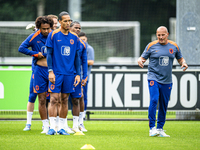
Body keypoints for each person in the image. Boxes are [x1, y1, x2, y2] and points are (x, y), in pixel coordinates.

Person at [137, 26, 188, 137]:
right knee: (154, 99)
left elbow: (180, 58)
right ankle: (152, 128)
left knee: (164, 104)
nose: (160, 37)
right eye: (158, 35)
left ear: (167, 34)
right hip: (153, 77)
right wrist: (140, 61)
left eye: (162, 35)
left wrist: (183, 63)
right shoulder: (151, 45)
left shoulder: (174, 46)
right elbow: (142, 58)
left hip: (167, 80)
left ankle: (160, 129)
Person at [46, 11, 81, 135]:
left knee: (65, 100)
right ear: (60, 22)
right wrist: (50, 71)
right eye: (65, 21)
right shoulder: (53, 35)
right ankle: (52, 127)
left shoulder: (74, 38)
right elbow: (49, 54)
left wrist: (78, 74)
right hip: (56, 72)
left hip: (69, 73)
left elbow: (77, 57)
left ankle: (61, 127)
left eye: (69, 21)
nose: (68, 23)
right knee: (54, 99)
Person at [19, 16, 53, 133]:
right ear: (38, 28)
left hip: (53, 71)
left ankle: (56, 125)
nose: (46, 31)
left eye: (48, 28)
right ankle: (45, 125)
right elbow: (21, 48)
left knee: (55, 99)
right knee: (41, 99)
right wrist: (35, 54)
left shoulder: (53, 35)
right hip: (39, 71)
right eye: (43, 29)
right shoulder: (33, 36)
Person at [69, 22, 88, 132]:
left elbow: (84, 62)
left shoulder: (82, 44)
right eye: (76, 27)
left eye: (79, 28)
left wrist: (84, 77)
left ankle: (78, 124)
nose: (78, 29)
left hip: (76, 76)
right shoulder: (64, 40)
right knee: (61, 99)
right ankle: (62, 124)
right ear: (70, 28)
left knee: (78, 98)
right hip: (64, 74)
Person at [78, 32, 94, 121]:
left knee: (83, 96)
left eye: (84, 39)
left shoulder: (89, 48)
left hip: (84, 76)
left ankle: (83, 114)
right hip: (75, 75)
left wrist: (80, 61)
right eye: (81, 39)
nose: (82, 41)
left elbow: (91, 62)